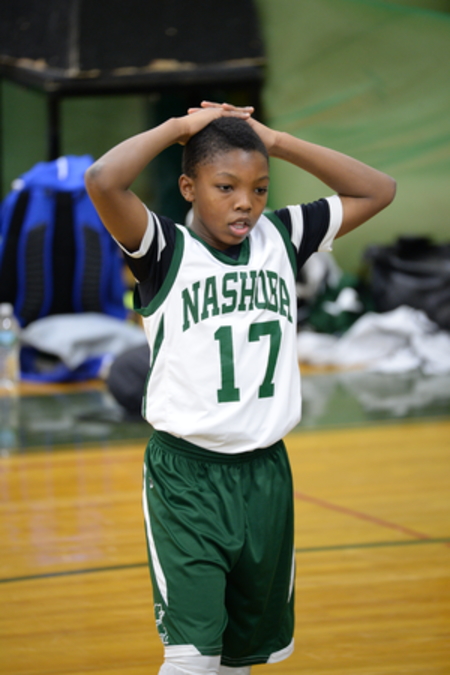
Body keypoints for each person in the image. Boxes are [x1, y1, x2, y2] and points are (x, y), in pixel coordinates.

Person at [85, 101, 396, 675]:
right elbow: (103, 180)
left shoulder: (283, 235)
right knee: (193, 657)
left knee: (239, 658)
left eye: (259, 188)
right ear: (188, 187)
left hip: (266, 474)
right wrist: (179, 129)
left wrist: (276, 141)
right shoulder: (164, 249)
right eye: (225, 187)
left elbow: (378, 190)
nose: (245, 202)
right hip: (187, 478)